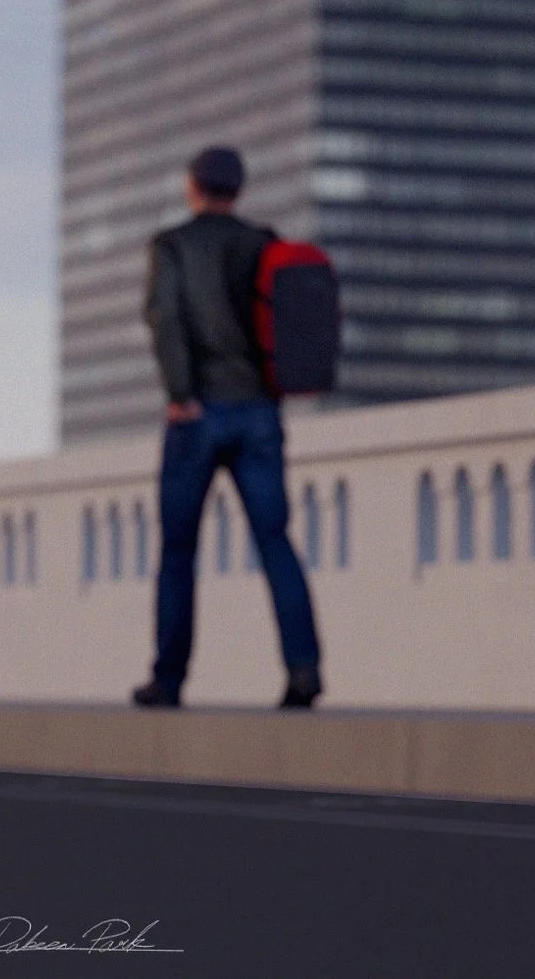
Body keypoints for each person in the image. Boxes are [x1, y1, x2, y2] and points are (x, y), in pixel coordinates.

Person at [132, 146, 323, 709]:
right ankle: (304, 668)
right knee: (275, 541)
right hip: (260, 413)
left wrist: (180, 395)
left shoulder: (172, 247)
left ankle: (168, 679)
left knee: (178, 551)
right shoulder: (262, 244)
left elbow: (166, 319)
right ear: (238, 188)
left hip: (199, 413)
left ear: (193, 186)